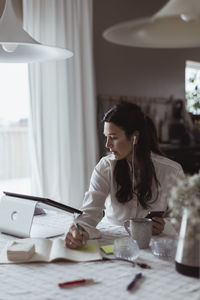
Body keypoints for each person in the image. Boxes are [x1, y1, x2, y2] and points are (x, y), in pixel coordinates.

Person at [65, 102, 184, 248]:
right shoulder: (105, 166)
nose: (107, 144)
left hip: (155, 245)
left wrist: (165, 226)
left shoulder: (172, 171)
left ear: (134, 137)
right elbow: (90, 212)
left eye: (113, 137)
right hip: (113, 244)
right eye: (106, 137)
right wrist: (78, 229)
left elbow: (184, 219)